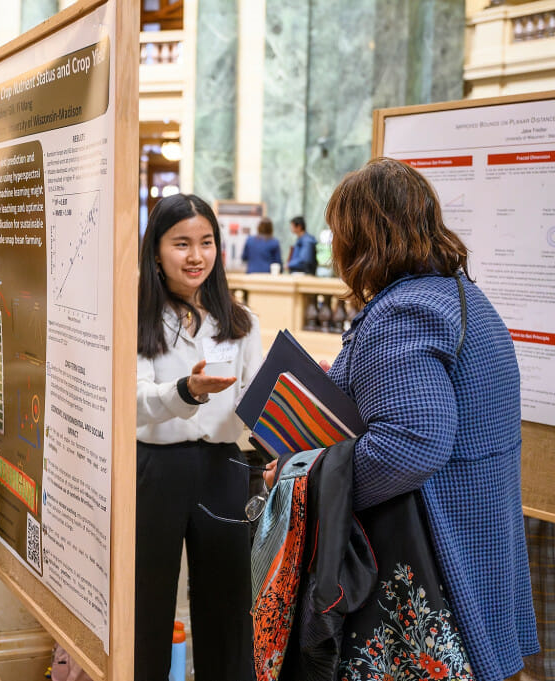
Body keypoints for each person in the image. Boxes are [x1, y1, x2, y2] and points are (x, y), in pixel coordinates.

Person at [315, 157, 537, 680]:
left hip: (436, 557)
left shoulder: (403, 312)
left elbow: (409, 444)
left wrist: (312, 479)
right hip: (478, 541)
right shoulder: (459, 295)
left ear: (362, 236)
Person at [135, 193, 263, 681]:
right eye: (181, 243)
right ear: (156, 252)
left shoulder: (240, 321)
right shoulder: (137, 317)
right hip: (153, 469)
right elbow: (134, 400)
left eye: (206, 243)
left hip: (223, 469)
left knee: (229, 607)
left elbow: (252, 403)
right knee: (146, 604)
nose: (196, 256)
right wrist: (186, 391)